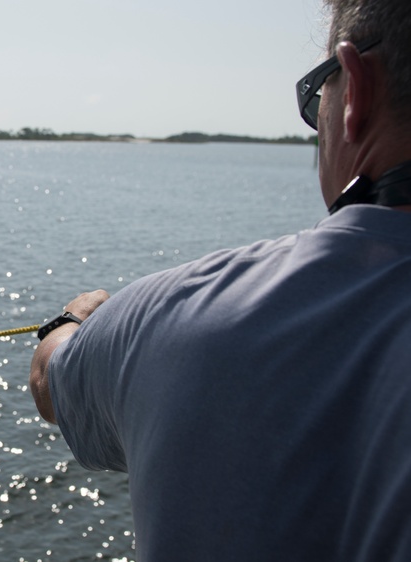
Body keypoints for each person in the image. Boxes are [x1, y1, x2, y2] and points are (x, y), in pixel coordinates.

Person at [28, 1, 411, 560]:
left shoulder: (178, 315)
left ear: (355, 89)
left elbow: (51, 381)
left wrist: (71, 321)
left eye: (316, 97)